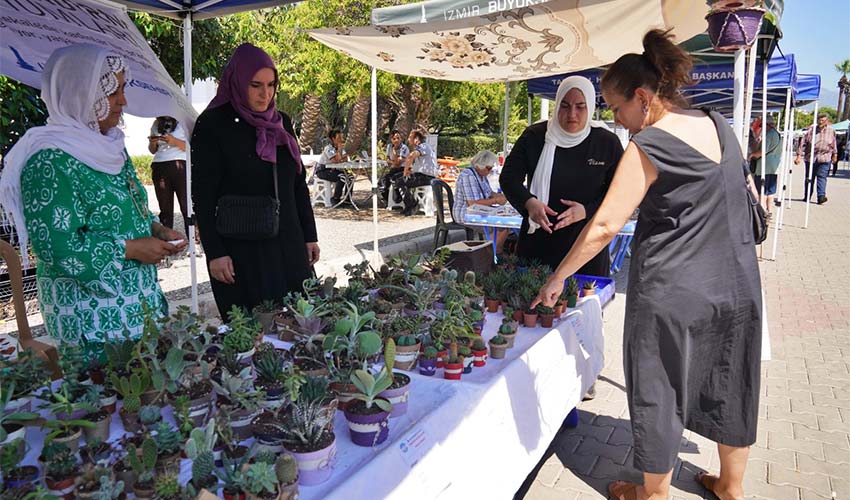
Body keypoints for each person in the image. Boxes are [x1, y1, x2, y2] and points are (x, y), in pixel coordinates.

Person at [532, 30, 762, 500]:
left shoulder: (649, 144)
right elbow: (747, 195)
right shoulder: (720, 125)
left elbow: (603, 226)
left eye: (617, 108)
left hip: (673, 291)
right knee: (730, 378)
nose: (617, 121)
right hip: (738, 286)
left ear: (642, 97)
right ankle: (730, 486)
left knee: (658, 385)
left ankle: (653, 494)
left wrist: (558, 277)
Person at [0, 44, 186, 348]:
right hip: (91, 320)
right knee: (106, 392)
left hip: (140, 306)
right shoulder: (49, 161)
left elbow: (133, 207)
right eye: (114, 93)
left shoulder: (112, 146)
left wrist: (157, 229)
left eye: (122, 90)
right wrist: (129, 249)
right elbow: (56, 247)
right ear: (80, 92)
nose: (123, 102)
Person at [192, 43, 320, 318]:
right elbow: (202, 194)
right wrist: (214, 253)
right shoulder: (213, 125)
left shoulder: (281, 122)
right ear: (238, 81)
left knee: (299, 322)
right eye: (255, 85)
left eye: (271, 85)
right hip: (242, 250)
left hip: (288, 241)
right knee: (252, 330)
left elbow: (297, 184)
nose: (266, 94)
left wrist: (310, 235)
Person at [499, 75, 624, 275]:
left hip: (586, 248)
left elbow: (619, 194)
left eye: (580, 106)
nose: (571, 114)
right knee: (530, 303)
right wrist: (529, 203)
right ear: (556, 105)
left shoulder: (606, 143)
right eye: (564, 106)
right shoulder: (535, 137)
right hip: (539, 244)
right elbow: (508, 179)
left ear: (590, 106)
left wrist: (586, 211)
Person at [148, 116, 197, 241]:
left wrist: (174, 141)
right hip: (160, 165)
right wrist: (153, 143)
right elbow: (152, 150)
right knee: (165, 209)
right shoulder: (156, 123)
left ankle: (193, 241)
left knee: (187, 207)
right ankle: (166, 243)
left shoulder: (184, 122)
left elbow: (191, 147)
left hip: (180, 165)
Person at [452, 150, 509, 253]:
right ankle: (493, 253)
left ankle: (495, 251)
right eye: (489, 168)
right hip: (465, 213)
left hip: (479, 211)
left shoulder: (481, 175)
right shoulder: (468, 176)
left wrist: (501, 196)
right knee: (499, 226)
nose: (490, 171)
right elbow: (473, 203)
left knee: (505, 224)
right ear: (480, 165)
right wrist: (496, 200)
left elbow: (489, 192)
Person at [395, 130, 440, 216]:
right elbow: (421, 165)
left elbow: (411, 156)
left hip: (426, 177)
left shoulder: (423, 146)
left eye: (410, 138)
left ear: (416, 139)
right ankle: (410, 204)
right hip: (424, 175)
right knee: (399, 178)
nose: (408, 139)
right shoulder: (424, 147)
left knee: (400, 181)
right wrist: (410, 171)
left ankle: (411, 205)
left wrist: (405, 172)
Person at [796, 113, 837, 204]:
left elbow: (834, 144)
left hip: (825, 158)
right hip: (811, 158)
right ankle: (807, 196)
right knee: (809, 178)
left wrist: (835, 155)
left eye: (823, 120)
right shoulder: (811, 131)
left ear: (827, 122)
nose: (820, 122)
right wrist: (799, 156)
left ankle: (821, 196)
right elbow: (803, 143)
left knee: (822, 177)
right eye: (819, 120)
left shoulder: (831, 131)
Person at [751, 114, 782, 217]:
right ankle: (770, 211)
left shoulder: (769, 135)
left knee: (762, 191)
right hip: (773, 167)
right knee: (770, 191)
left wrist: (751, 155)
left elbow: (762, 152)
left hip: (764, 167)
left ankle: (762, 212)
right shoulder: (777, 134)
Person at [314, 129, 349, 206]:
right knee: (342, 177)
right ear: (333, 139)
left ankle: (347, 199)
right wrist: (340, 152)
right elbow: (336, 160)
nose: (341, 140)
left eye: (341, 137)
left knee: (350, 177)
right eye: (338, 137)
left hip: (333, 170)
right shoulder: (329, 148)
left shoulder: (340, 148)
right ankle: (335, 199)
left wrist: (340, 156)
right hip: (323, 171)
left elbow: (345, 158)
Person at [378, 129, 409, 205]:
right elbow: (388, 159)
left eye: (398, 138)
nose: (396, 140)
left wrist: (395, 152)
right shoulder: (389, 147)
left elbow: (398, 163)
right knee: (381, 182)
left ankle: (397, 199)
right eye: (394, 139)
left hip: (402, 169)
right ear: (391, 140)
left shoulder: (404, 148)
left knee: (391, 179)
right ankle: (388, 200)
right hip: (393, 169)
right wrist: (393, 162)